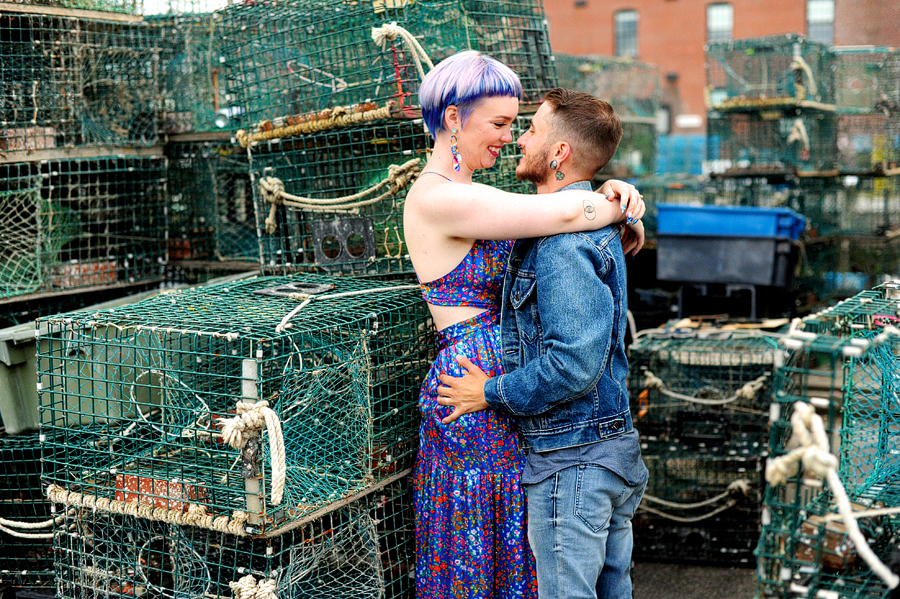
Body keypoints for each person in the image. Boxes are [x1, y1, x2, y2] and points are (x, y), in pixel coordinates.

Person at [404, 51, 645, 599]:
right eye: (499, 123)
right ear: (453, 119)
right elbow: (562, 213)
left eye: (518, 125)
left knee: (532, 546)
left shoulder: (484, 196)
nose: (509, 137)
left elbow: (560, 211)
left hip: (516, 393)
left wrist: (611, 193)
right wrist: (621, 201)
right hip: (473, 390)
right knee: (477, 545)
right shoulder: (438, 198)